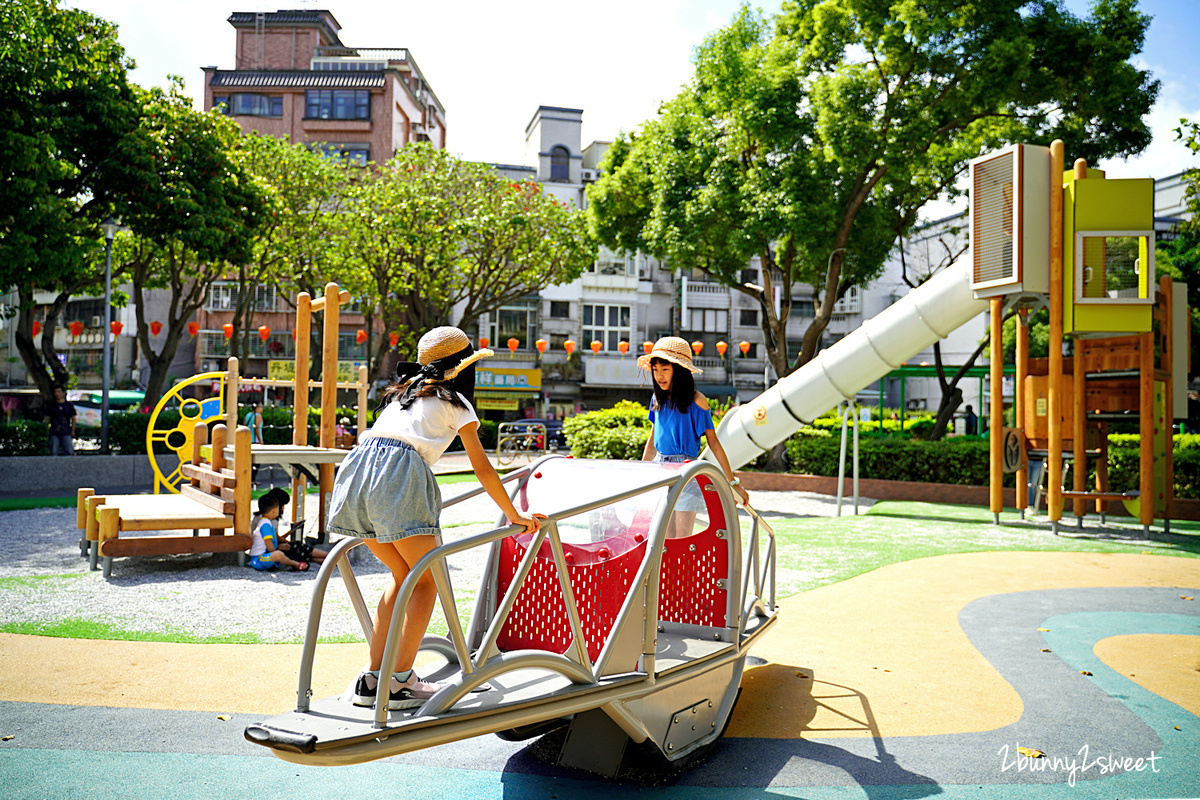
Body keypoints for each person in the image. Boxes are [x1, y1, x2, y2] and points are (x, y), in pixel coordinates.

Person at [327, 327, 543, 710]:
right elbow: (483, 468)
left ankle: (373, 678)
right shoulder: (456, 403)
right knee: (426, 582)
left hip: (358, 475)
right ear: (464, 369)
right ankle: (399, 682)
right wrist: (516, 515)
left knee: (403, 577)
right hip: (396, 479)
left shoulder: (403, 396)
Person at [638, 337, 748, 538]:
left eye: (665, 369)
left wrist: (733, 483)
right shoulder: (657, 398)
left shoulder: (698, 401)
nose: (659, 376)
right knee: (665, 539)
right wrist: (641, 472)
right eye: (655, 370)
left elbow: (713, 444)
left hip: (686, 471)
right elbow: (653, 440)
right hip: (660, 469)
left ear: (678, 370)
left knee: (682, 537)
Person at [247, 489, 319, 572]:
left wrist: (291, 531)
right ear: (274, 509)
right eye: (282, 505)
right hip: (262, 556)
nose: (283, 508)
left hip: (266, 551)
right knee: (296, 547)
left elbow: (273, 538)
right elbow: (271, 540)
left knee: (298, 549)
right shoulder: (267, 522)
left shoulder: (262, 519)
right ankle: (327, 557)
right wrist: (275, 550)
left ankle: (327, 559)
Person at [45, 386, 76, 456]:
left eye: (59, 392)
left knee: (69, 451)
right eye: (55, 392)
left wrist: (73, 430)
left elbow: (73, 418)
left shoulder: (68, 405)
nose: (57, 394)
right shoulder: (51, 405)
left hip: (66, 431)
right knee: (53, 451)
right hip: (54, 432)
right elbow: (47, 418)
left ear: (63, 393)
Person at [244, 402, 263, 481]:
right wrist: (260, 440)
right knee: (256, 462)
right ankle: (253, 480)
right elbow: (257, 429)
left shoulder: (248, 415)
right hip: (255, 441)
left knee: (248, 461)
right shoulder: (258, 416)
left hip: (248, 440)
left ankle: (248, 479)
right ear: (257, 407)